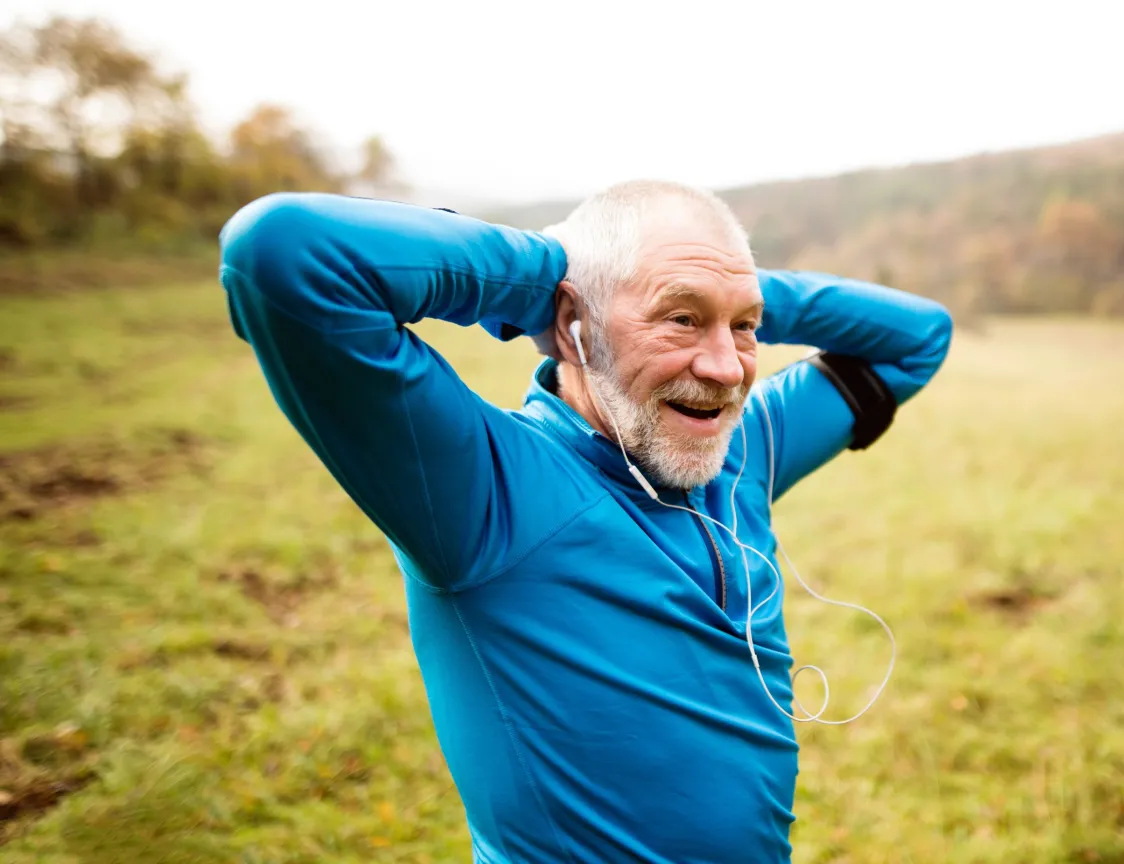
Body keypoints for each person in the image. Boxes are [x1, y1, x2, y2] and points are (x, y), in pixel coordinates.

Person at [218, 180, 953, 864]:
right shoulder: (491, 489)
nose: (729, 369)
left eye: (746, 330)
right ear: (571, 324)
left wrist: (729, 292)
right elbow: (282, 252)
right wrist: (554, 281)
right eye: (681, 319)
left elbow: (920, 336)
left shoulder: (739, 453)